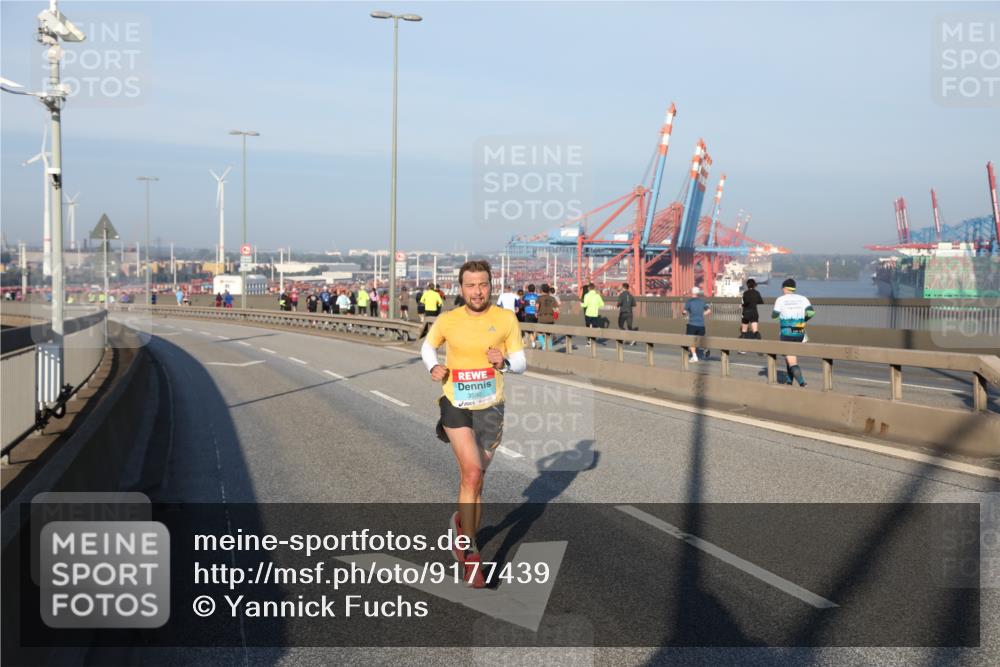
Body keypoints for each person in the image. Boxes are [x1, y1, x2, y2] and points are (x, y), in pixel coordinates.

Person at [422, 260, 526, 589]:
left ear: (490, 285)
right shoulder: (449, 320)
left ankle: (461, 526)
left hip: (490, 408)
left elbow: (522, 362)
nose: (477, 291)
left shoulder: (505, 319)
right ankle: (472, 555)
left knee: (477, 484)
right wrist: (433, 367)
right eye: (470, 285)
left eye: (482, 284)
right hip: (455, 404)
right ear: (461, 288)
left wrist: (505, 362)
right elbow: (427, 345)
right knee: (472, 473)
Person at [771, 278, 815, 387]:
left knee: (792, 361)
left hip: (787, 332)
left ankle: (802, 383)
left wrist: (781, 320)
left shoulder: (780, 299)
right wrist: (803, 320)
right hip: (799, 331)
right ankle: (789, 381)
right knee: (790, 356)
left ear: (785, 288)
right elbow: (811, 312)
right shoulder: (803, 298)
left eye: (782, 289)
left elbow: (774, 316)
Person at [682, 286, 711, 362]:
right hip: (701, 325)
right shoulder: (702, 301)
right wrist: (702, 314)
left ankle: (694, 356)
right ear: (698, 293)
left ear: (692, 293)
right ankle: (705, 348)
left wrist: (685, 314)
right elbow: (709, 311)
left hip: (692, 324)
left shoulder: (689, 301)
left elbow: (684, 312)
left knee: (691, 341)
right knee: (700, 340)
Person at [740, 278, 764, 347]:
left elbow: (745, 302)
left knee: (744, 331)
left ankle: (742, 348)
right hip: (754, 313)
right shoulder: (757, 293)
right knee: (755, 331)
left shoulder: (745, 293)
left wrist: (742, 305)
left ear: (747, 285)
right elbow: (761, 302)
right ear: (754, 285)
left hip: (746, 313)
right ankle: (759, 346)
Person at [534, 284, 559, 350]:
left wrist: (536, 313)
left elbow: (537, 307)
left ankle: (544, 345)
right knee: (549, 334)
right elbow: (556, 309)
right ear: (548, 290)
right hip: (550, 318)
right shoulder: (552, 298)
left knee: (539, 333)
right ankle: (550, 348)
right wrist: (555, 315)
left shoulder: (539, 298)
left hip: (541, 318)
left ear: (541, 290)